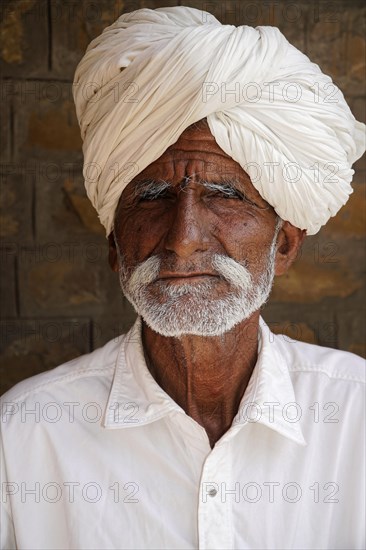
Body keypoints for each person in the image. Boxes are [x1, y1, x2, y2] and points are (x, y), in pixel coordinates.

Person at [1, 6, 365, 550]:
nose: (183, 238)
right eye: (151, 196)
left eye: (223, 195)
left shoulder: (356, 420)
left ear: (284, 244)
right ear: (114, 244)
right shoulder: (25, 436)